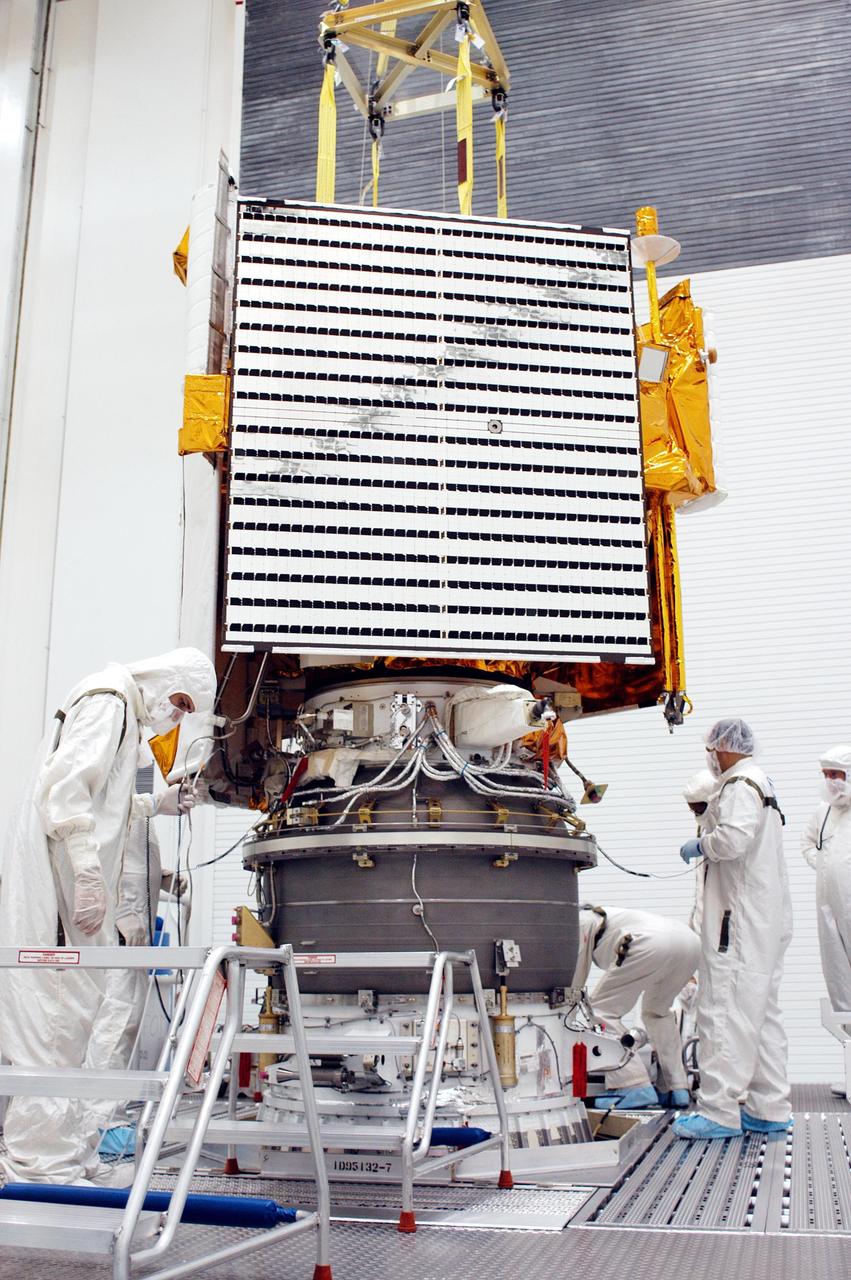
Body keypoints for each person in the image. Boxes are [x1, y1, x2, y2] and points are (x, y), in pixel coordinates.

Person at [0, 647, 216, 1184]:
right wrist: (87, 870)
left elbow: (103, 801)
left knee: (73, 1022)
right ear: (164, 679)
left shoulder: (120, 711)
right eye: (181, 701)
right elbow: (67, 788)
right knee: (55, 1024)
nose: (177, 715)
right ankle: (39, 1166)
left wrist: (154, 805)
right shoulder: (110, 700)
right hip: (60, 896)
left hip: (69, 896)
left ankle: (63, 1154)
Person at [676, 717, 793, 1139]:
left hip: (737, 923)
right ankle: (769, 1108)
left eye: (711, 749)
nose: (710, 757)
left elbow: (733, 841)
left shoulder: (740, 785)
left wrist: (702, 844)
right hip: (762, 918)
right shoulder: (763, 784)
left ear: (724, 748)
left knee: (723, 1011)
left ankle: (719, 1112)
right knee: (761, 1014)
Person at [89, 811, 190, 1153]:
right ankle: (100, 1124)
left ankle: (109, 1117)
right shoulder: (118, 796)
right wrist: (121, 915)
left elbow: (132, 859)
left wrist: (162, 878)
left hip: (133, 935)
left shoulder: (136, 806)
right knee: (114, 1025)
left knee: (126, 1022)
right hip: (118, 935)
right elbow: (104, 855)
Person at [573, 905, 701, 1109]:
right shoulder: (605, 914)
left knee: (598, 1011)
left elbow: (571, 988)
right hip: (690, 944)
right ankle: (676, 1088)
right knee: (657, 1013)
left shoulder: (576, 921)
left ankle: (632, 1084)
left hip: (650, 941)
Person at [801, 744, 851, 1019]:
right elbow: (807, 842)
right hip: (828, 905)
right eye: (826, 775)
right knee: (837, 969)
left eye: (837, 774)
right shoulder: (824, 811)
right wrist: (823, 864)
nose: (831, 781)